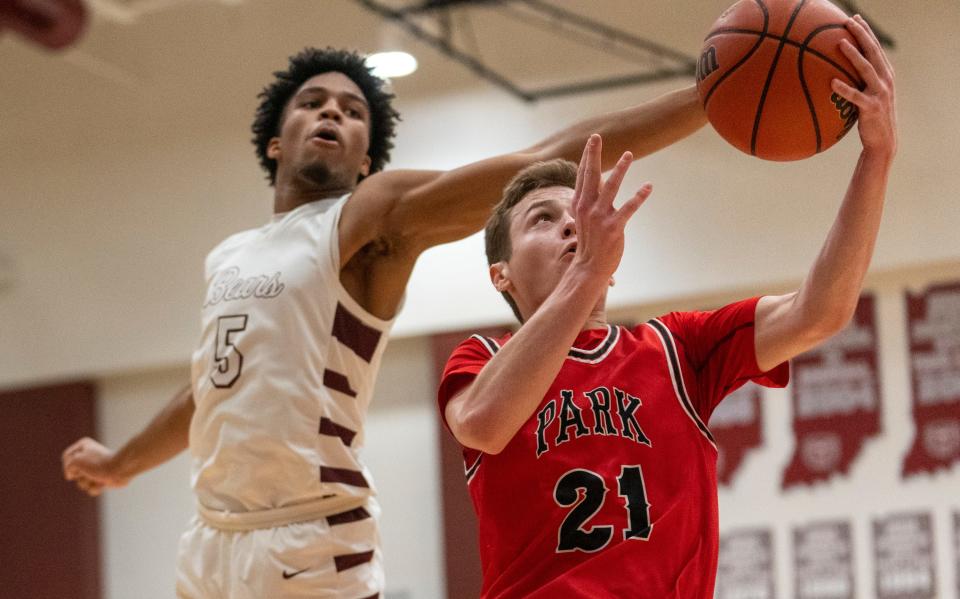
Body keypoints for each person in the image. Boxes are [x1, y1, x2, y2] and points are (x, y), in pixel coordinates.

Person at [60, 46, 707, 598]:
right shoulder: (230, 256)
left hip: (312, 536)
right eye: (314, 101)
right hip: (210, 537)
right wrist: (124, 462)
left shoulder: (367, 218)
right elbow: (213, 385)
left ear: (367, 158)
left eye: (352, 110)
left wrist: (711, 99)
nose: (333, 112)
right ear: (275, 140)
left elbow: (551, 155)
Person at [437, 15, 895, 598]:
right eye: (543, 219)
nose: (569, 226)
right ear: (499, 274)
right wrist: (587, 272)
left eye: (579, 216)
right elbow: (483, 424)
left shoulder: (676, 349)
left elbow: (819, 312)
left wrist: (876, 158)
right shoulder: (479, 358)